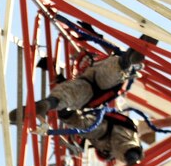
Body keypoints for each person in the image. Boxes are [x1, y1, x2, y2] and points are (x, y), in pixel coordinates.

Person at [9, 34, 158, 123]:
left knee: (66, 95)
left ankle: (48, 104)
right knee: (115, 67)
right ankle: (47, 105)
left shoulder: (90, 57)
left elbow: (113, 50)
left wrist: (97, 37)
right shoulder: (85, 60)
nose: (73, 54)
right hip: (93, 85)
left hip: (94, 85)